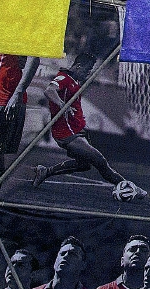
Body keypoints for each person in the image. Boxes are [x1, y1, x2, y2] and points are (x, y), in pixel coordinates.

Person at [31, 58, 144, 202]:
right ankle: (131, 189)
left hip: (77, 129)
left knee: (83, 165)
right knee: (100, 160)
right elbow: (49, 90)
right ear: (78, 66)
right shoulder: (63, 77)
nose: (88, 72)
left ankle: (45, 171)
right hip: (66, 132)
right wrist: (62, 104)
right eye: (87, 69)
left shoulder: (75, 80)